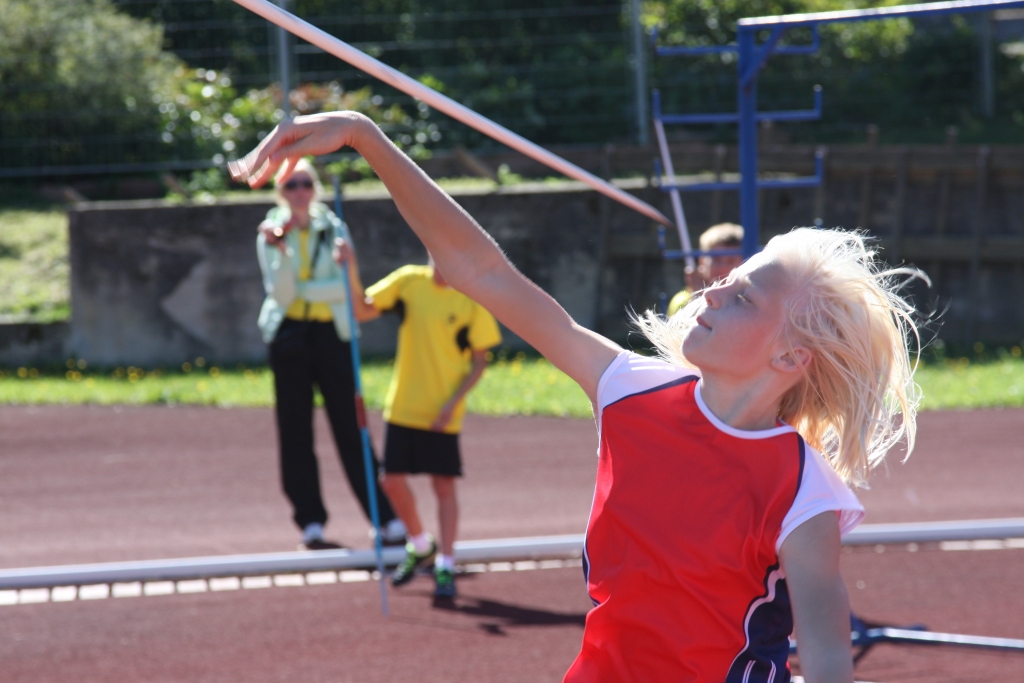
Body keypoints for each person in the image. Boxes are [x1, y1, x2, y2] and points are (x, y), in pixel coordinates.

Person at [231, 113, 922, 683]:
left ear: (790, 357)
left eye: (741, 295)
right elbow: (479, 271)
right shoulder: (630, 388)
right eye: (726, 277)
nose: (711, 289)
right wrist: (365, 138)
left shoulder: (804, 489)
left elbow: (829, 661)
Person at [255, 157, 405, 551]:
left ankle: (384, 517)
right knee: (295, 429)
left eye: (305, 183)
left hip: (332, 335)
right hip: (289, 337)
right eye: (290, 186)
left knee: (352, 425)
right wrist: (284, 252)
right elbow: (283, 295)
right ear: (280, 193)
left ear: (315, 187)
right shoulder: (269, 233)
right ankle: (310, 521)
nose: (299, 192)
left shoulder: (334, 227)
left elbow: (344, 289)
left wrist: (318, 283)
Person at [337, 254, 502, 599]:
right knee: (390, 481)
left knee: (443, 486)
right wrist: (350, 265)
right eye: (432, 251)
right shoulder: (409, 281)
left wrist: (451, 405)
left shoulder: (471, 297)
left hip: (442, 413)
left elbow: (479, 362)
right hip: (404, 406)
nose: (439, 260)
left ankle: (446, 563)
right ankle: (420, 543)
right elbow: (361, 310)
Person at [666, 222, 744, 316]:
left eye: (731, 261)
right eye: (717, 259)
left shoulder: (750, 299)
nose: (723, 267)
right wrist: (700, 298)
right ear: (702, 261)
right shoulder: (683, 302)